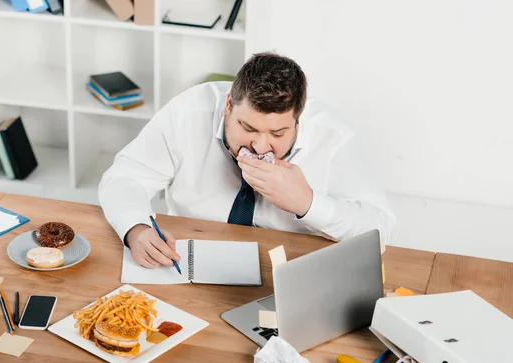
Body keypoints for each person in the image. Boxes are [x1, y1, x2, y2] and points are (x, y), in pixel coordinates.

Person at [99, 52, 396, 269]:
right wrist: (135, 228)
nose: (259, 145)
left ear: (299, 119)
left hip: (287, 272)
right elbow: (124, 177)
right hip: (187, 259)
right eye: (248, 128)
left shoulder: (333, 137)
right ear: (229, 104)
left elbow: (382, 228)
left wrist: (307, 203)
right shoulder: (188, 113)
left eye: (277, 133)